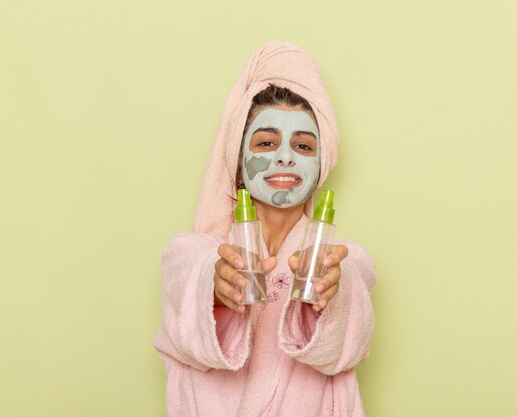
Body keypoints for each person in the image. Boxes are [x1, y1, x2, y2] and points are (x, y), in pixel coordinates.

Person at [153, 41, 376, 417]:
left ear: (322, 163)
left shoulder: (344, 262)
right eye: (266, 142)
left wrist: (331, 289)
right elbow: (186, 287)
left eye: (303, 145)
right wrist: (216, 288)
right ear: (238, 162)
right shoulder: (189, 255)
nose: (285, 156)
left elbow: (353, 319)